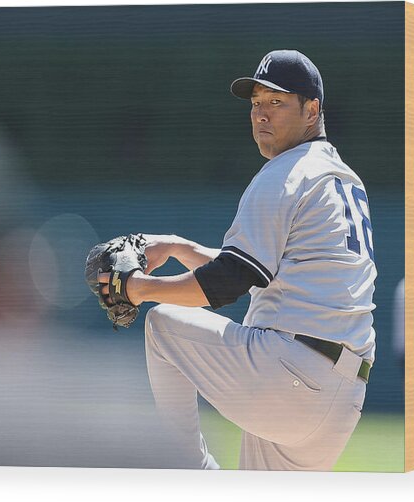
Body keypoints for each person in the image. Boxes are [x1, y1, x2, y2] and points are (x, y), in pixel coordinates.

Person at [99, 49, 377, 470]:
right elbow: (258, 274)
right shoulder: (338, 178)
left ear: (312, 109)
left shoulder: (286, 172)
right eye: (256, 103)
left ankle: (189, 469)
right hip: (342, 397)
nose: (262, 114)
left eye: (277, 102)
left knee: (163, 326)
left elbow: (228, 282)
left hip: (290, 373)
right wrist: (175, 246)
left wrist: (139, 289)